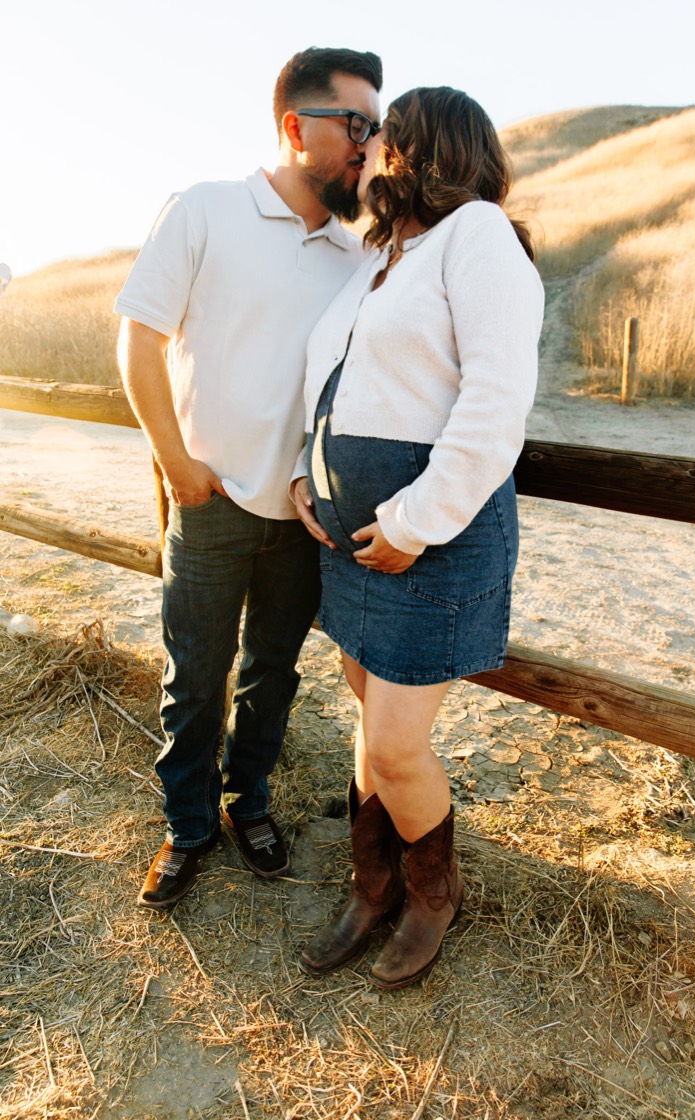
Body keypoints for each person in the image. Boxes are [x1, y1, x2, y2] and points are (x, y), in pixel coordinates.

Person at [115, 47, 383, 910]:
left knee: (273, 672)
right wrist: (177, 463)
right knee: (194, 674)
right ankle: (186, 826)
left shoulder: (356, 255)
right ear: (294, 127)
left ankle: (247, 803)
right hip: (214, 503)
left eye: (376, 129)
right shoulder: (206, 211)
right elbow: (139, 340)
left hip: (303, 522)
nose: (371, 147)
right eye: (356, 126)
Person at [291, 86, 542, 990]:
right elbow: (335, 381)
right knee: (367, 711)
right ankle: (373, 886)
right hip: (352, 542)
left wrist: (411, 521)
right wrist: (303, 472)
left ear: (425, 145)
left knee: (395, 743)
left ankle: (434, 896)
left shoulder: (477, 236)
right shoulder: (382, 256)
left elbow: (494, 404)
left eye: (381, 135)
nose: (366, 150)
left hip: (430, 536)